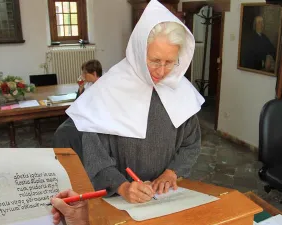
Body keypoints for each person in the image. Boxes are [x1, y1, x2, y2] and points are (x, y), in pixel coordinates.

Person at [66, 0, 204, 204]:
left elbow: (191, 143)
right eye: (155, 60)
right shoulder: (108, 90)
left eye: (170, 62)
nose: (162, 71)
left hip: (165, 196)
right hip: (119, 198)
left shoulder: (180, 90)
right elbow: (95, 154)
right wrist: (122, 186)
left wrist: (171, 172)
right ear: (139, 51)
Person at [53, 59, 102, 161]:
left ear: (94, 73)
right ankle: (63, 155)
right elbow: (78, 102)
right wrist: (80, 88)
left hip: (92, 118)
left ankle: (74, 158)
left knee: (64, 131)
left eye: (85, 73)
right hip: (83, 114)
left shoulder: (102, 86)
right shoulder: (89, 84)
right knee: (62, 130)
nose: (83, 75)